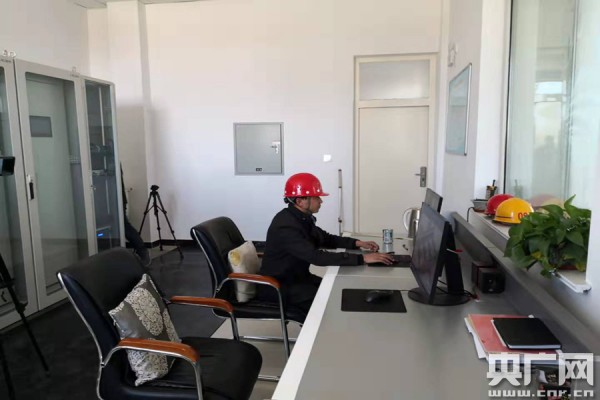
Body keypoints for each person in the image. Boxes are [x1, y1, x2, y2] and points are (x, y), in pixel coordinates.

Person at [257, 172, 394, 320]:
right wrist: (363, 259)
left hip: (298, 278)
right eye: (316, 197)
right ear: (300, 201)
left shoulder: (301, 218)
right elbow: (316, 257)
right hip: (279, 285)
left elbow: (326, 238)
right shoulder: (286, 225)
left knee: (335, 290)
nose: (321, 201)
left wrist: (356, 243)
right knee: (329, 303)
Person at [121, 166, 151, 267]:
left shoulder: (112, 161)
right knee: (125, 227)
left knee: (125, 228)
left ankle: (142, 252)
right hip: (115, 200)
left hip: (116, 201)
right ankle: (142, 251)